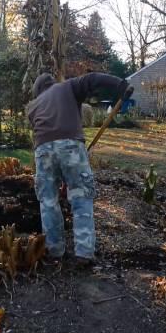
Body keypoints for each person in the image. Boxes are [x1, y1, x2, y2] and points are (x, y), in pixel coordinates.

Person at [26, 71, 134, 267]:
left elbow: (46, 134)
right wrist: (120, 85)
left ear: (37, 91)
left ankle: (54, 250)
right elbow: (91, 79)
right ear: (52, 84)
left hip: (42, 150)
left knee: (48, 201)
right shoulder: (66, 87)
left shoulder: (33, 106)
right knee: (81, 197)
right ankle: (84, 253)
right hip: (71, 147)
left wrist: (60, 176)